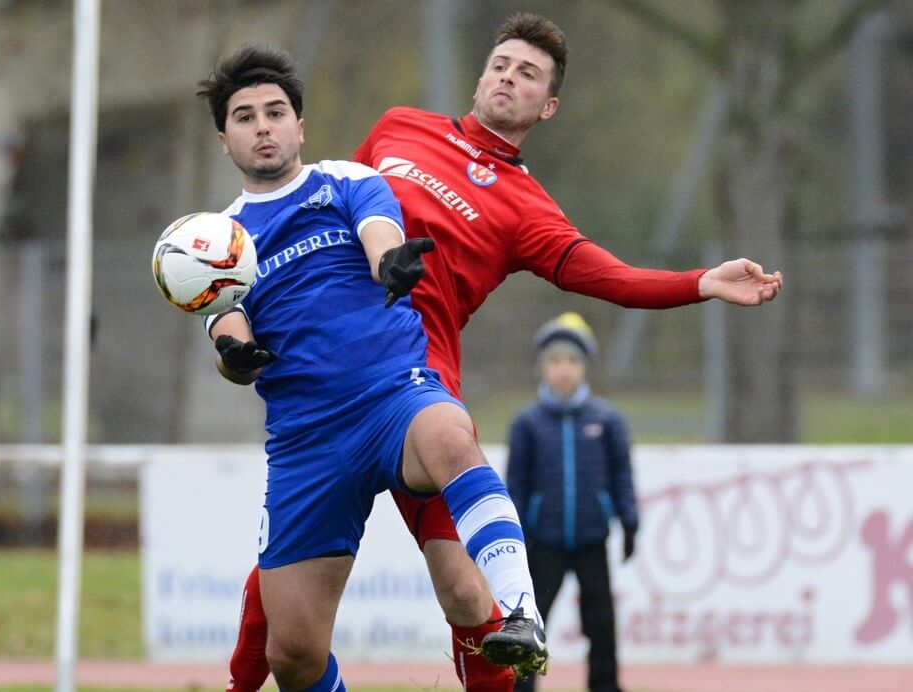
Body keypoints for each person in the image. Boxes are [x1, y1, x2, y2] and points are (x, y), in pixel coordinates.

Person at [229, 12, 783, 691]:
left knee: (466, 595)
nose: (507, 78)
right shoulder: (400, 126)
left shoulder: (525, 209)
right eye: (501, 64)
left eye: (528, 74)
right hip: (328, 387)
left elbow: (608, 276)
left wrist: (700, 282)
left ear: (546, 107)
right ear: (481, 74)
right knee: (292, 630)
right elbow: (324, 206)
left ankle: (520, 622)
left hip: (415, 392)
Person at [197, 44, 550, 690]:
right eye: (245, 117)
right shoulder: (216, 239)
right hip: (307, 440)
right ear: (225, 139)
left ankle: (523, 611)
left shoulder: (348, 181)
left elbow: (379, 234)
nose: (263, 126)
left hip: (393, 397)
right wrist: (235, 354)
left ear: (299, 125)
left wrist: (391, 265)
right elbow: (225, 318)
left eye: (275, 112)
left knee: (450, 437)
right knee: (294, 653)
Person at [506, 313, 637, 692]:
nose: (563, 370)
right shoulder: (527, 423)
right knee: (531, 622)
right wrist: (516, 533)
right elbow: (516, 483)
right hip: (542, 542)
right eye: (555, 361)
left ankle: (605, 686)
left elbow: (622, 475)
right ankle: (520, 686)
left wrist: (629, 522)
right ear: (542, 368)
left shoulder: (607, 420)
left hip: (590, 539)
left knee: (601, 622)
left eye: (572, 361)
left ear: (585, 368)